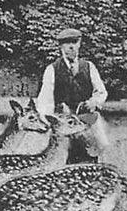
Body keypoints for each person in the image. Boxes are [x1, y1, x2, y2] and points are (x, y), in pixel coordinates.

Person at [36, 28, 108, 163]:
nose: (71, 46)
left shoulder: (89, 67)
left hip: (86, 121)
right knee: (64, 160)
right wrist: (50, 121)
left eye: (74, 42)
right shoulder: (52, 69)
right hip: (63, 124)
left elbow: (101, 91)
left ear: (79, 44)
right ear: (60, 46)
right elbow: (45, 101)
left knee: (90, 158)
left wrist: (94, 102)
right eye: (66, 43)